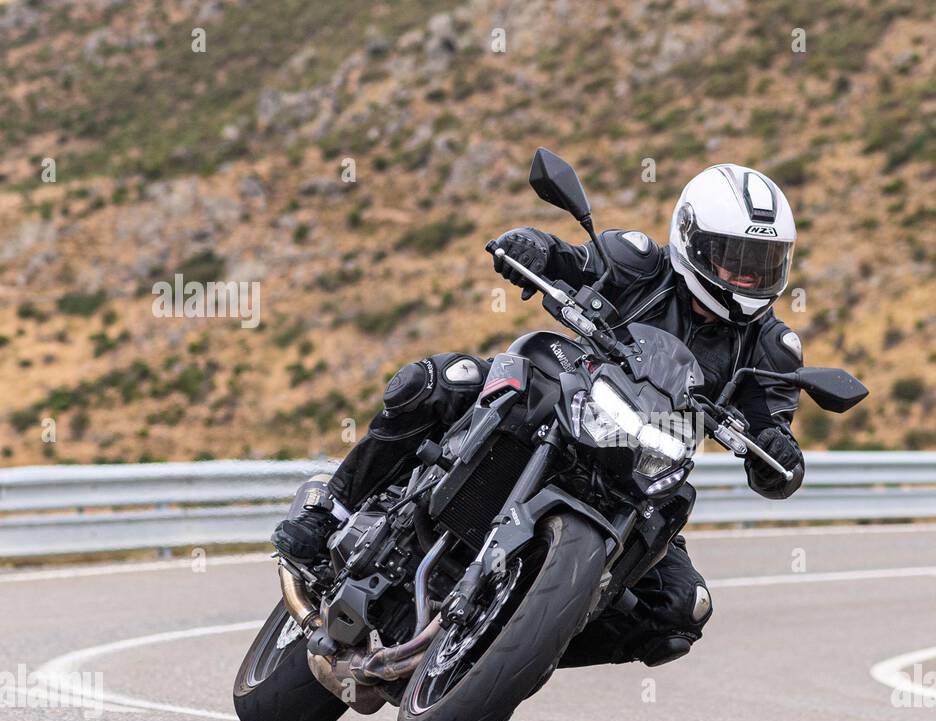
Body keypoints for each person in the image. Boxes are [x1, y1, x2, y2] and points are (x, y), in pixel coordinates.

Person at [272, 163, 807, 667]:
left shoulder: (772, 348)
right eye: (732, 257)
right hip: (577, 398)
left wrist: (778, 453)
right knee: (438, 382)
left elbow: (770, 424)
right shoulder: (641, 261)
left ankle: (519, 643)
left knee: (681, 608)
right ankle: (331, 511)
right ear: (690, 239)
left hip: (644, 466)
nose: (745, 276)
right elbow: (575, 260)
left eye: (762, 263)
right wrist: (533, 247)